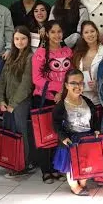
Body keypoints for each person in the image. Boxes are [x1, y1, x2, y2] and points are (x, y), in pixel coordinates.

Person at [33, 20, 73, 184]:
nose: (57, 35)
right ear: (47, 34)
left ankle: (56, 168)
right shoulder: (41, 53)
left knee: (59, 136)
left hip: (63, 100)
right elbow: (37, 79)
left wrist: (62, 92)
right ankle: (46, 170)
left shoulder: (68, 51)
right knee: (45, 135)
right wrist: (57, 89)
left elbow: (71, 74)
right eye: (53, 32)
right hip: (44, 99)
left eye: (59, 31)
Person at [52, 70, 101, 196]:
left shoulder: (88, 102)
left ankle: (83, 183)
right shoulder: (61, 106)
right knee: (72, 165)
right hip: (71, 141)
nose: (78, 86)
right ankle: (74, 186)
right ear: (66, 85)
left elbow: (95, 119)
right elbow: (56, 124)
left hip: (86, 140)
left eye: (80, 83)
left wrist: (96, 129)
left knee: (85, 163)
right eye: (73, 83)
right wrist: (63, 138)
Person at [0, 25, 34, 179]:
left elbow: (26, 85)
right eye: (17, 39)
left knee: (20, 131)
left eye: (23, 38)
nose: (20, 41)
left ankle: (22, 165)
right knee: (10, 131)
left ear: (28, 40)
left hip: (20, 102)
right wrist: (0, 99)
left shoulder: (30, 57)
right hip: (7, 102)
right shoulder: (11, 56)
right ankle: (12, 162)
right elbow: (2, 80)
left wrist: (13, 104)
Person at [71, 20, 103, 114]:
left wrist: (99, 85)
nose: (90, 34)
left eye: (92, 31)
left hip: (100, 101)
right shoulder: (78, 52)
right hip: (82, 99)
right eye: (86, 32)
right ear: (82, 35)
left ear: (97, 32)